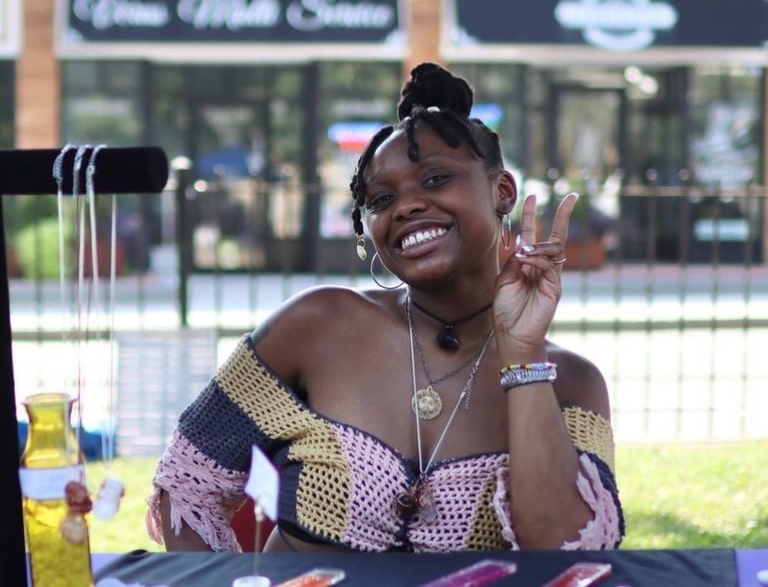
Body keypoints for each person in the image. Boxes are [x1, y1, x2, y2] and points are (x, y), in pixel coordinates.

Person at [146, 62, 624, 553]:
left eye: (436, 178)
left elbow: (570, 554)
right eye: (381, 198)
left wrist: (523, 358)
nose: (406, 206)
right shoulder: (317, 326)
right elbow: (187, 488)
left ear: (502, 191)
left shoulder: (570, 382)